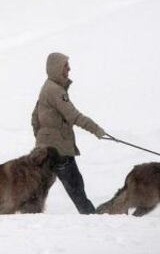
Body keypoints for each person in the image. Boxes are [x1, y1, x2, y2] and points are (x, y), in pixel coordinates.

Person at [31, 52, 107, 214]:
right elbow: (73, 116)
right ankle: (93, 220)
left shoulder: (47, 87)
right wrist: (97, 130)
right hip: (59, 151)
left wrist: (41, 138)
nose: (69, 69)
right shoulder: (56, 91)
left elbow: (34, 118)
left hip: (45, 150)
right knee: (76, 189)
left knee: (37, 191)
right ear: (56, 68)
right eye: (65, 66)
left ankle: (30, 221)